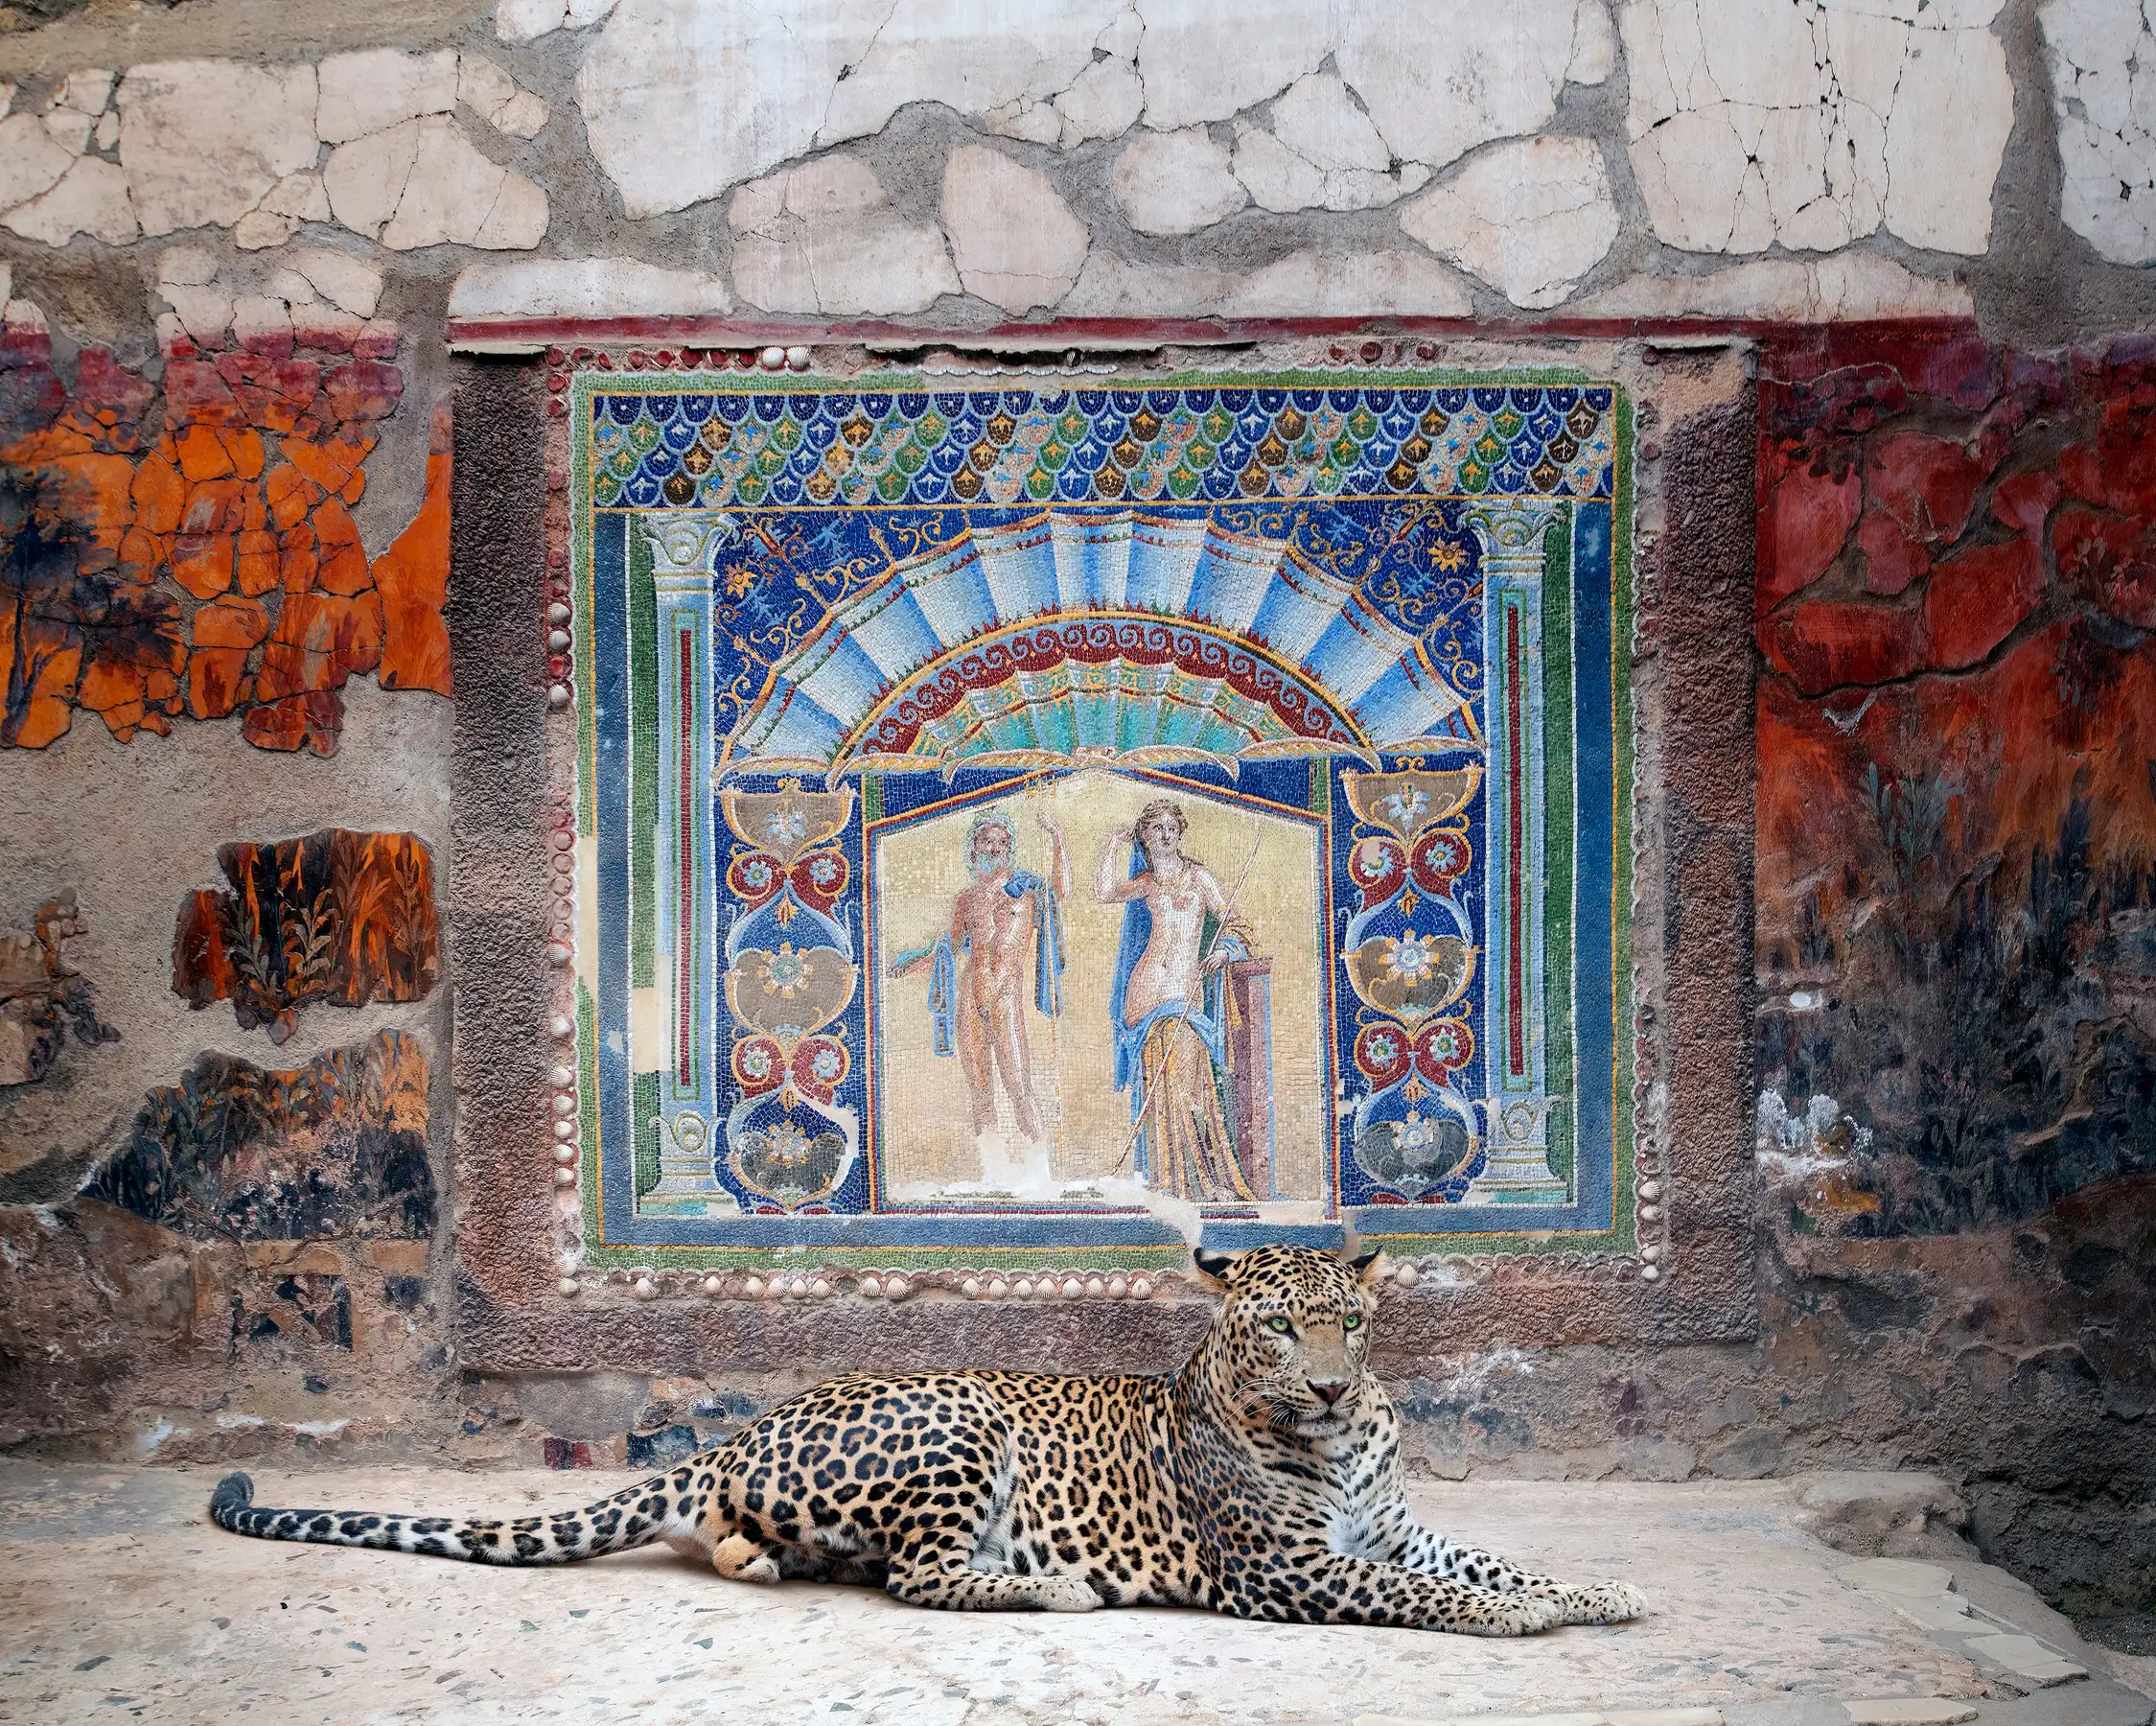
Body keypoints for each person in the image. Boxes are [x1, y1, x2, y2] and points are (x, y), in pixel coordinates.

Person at [1095, 799, 1255, 1202]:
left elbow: (1236, 921)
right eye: (1156, 829)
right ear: (1145, 837)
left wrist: (1226, 951)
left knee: (1190, 1089)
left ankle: (1204, 1180)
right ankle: (1170, 1181)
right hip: (1145, 994)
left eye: (1171, 828)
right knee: (1160, 1091)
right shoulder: (1147, 882)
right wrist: (1113, 842)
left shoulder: (1199, 878)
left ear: (1180, 833)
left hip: (1184, 992)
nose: (1165, 835)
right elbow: (1105, 891)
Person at [891, 808, 1069, 1142]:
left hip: (1004, 994)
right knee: (980, 1091)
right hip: (969, 997)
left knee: (1019, 1085)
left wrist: (1057, 837)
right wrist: (909, 966)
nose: (994, 848)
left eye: (1001, 842)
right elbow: (948, 950)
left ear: (1009, 847)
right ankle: (992, 1170)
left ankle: (1039, 1170)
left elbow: (1061, 891)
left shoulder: (1026, 888)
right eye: (987, 841)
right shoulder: (966, 900)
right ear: (974, 848)